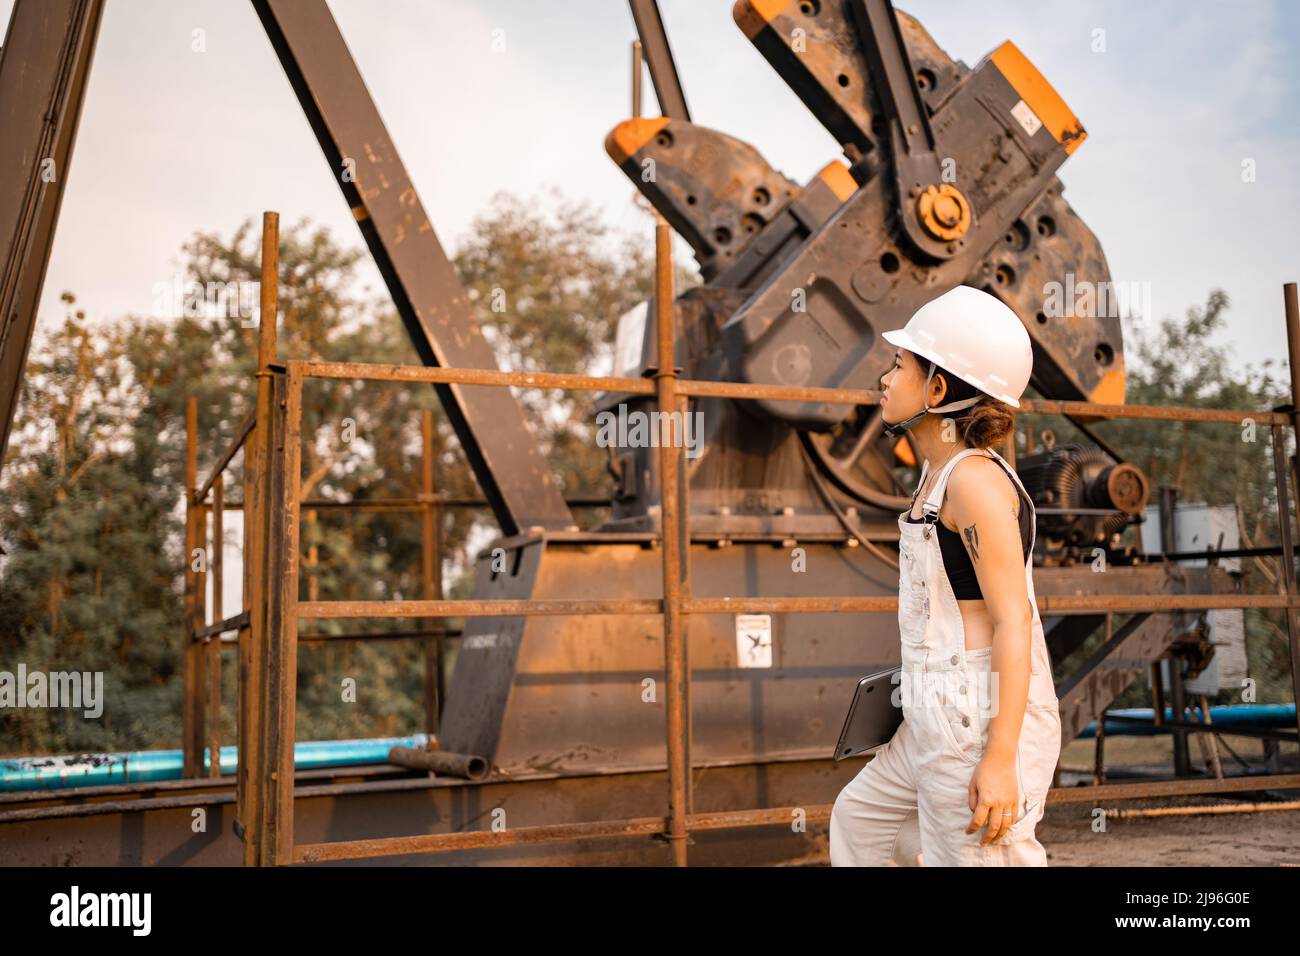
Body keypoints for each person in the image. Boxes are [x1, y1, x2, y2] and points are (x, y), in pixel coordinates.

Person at [829, 285, 1063, 867]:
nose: (885, 378)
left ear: (936, 389)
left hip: (978, 723)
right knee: (862, 824)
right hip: (934, 715)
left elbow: (1015, 619)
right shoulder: (939, 476)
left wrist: (1001, 758)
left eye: (900, 365)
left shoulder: (974, 484)